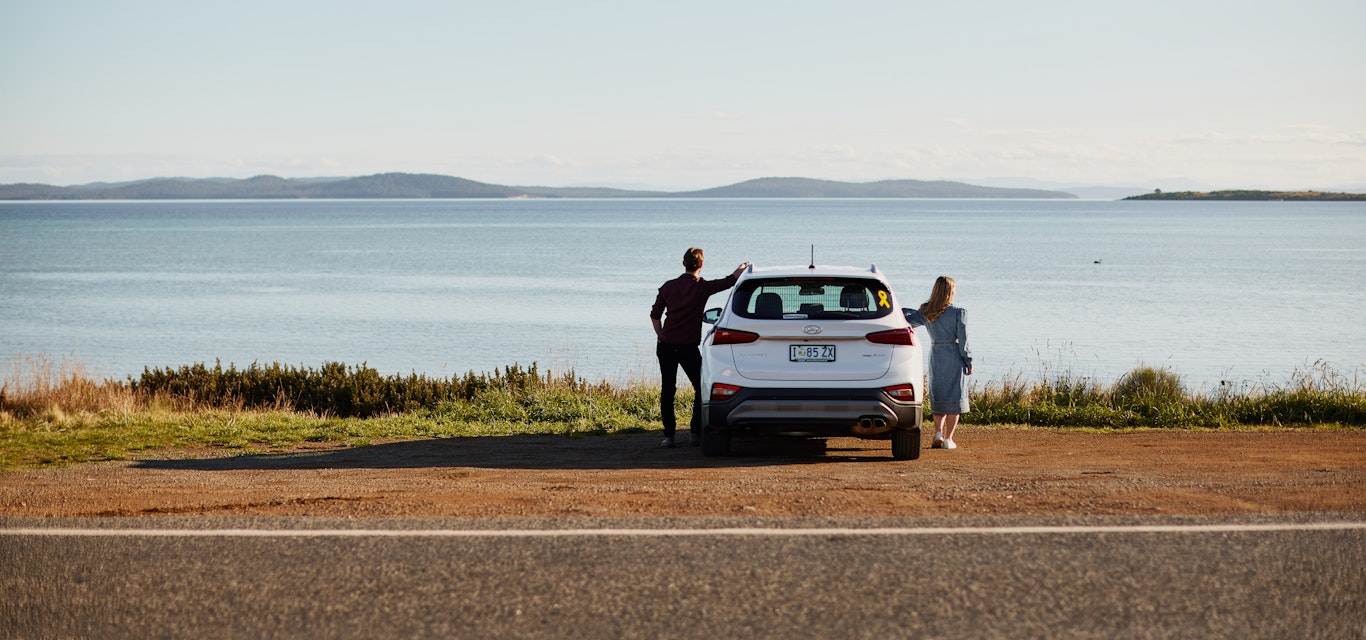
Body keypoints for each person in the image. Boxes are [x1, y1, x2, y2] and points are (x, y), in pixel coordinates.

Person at [650, 248, 750, 448]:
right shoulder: (701, 287)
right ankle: (694, 433)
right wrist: (740, 270)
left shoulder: (668, 287)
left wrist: (661, 335)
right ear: (701, 265)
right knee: (700, 388)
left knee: (667, 390)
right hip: (687, 348)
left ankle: (669, 437)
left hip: (666, 346)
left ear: (683, 263)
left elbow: (655, 314)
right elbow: (728, 282)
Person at [904, 276, 973, 449]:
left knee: (939, 395)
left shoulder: (927, 312)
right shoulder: (958, 313)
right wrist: (968, 360)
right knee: (954, 398)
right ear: (950, 292)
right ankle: (949, 439)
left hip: (935, 355)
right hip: (953, 355)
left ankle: (938, 432)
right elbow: (964, 342)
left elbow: (907, 318)